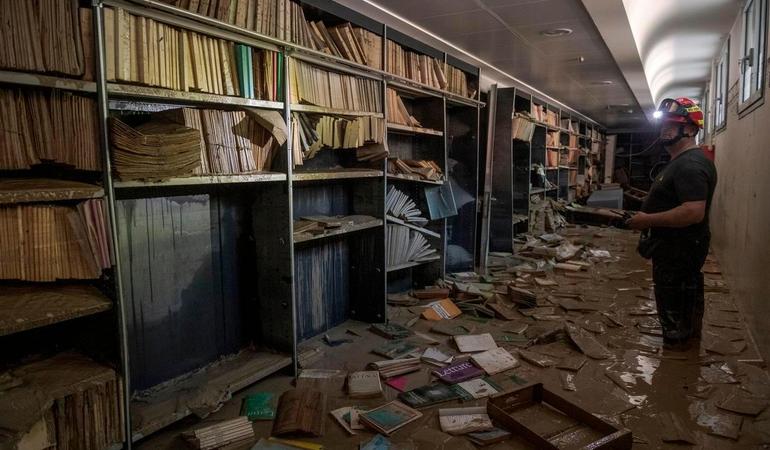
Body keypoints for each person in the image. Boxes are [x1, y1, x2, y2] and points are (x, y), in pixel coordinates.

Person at [626, 97, 717, 350]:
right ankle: (683, 345)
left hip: (680, 250)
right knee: (677, 300)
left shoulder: (690, 164)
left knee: (676, 303)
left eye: (673, 124)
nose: (665, 129)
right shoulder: (680, 162)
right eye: (664, 124)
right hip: (671, 249)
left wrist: (647, 219)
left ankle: (679, 359)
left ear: (690, 129)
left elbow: (692, 212)